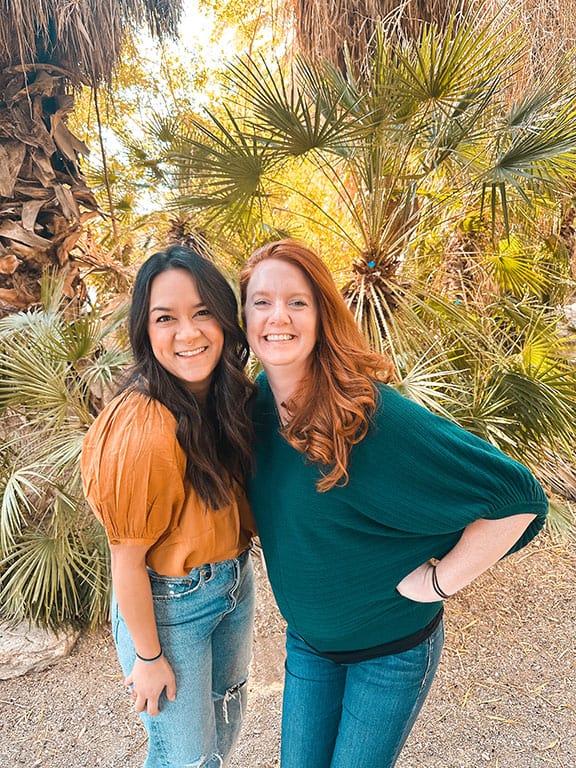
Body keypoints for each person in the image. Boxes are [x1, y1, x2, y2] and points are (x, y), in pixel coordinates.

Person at [239, 239, 549, 768]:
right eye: (261, 301)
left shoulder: (369, 416)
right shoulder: (252, 407)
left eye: (298, 301)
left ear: (322, 315)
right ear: (242, 317)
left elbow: (519, 498)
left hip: (390, 652)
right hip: (309, 646)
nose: (278, 316)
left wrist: (438, 582)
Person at [81, 245, 256, 768]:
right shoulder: (145, 427)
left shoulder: (225, 398)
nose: (188, 332)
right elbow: (126, 560)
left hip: (233, 584)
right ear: (145, 331)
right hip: (170, 607)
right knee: (186, 760)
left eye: (203, 311)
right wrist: (149, 657)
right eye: (166, 318)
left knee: (222, 732)